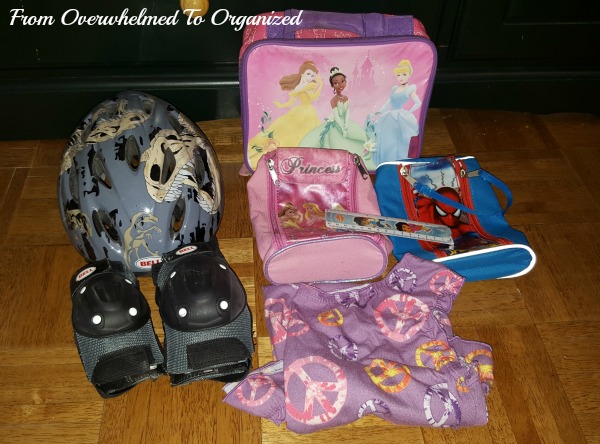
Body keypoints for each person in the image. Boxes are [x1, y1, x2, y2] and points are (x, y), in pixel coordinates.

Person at [247, 61, 323, 169]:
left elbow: (313, 97)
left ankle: (302, 160)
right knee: (289, 132)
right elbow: (291, 101)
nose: (310, 77)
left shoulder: (310, 85)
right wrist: (281, 105)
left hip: (307, 111)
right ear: (302, 74)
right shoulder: (302, 86)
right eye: (308, 74)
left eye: (312, 75)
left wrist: (320, 84)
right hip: (300, 111)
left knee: (304, 133)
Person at [299, 67, 372, 169]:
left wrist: (346, 124)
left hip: (346, 123)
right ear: (333, 85)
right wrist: (342, 128)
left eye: (343, 81)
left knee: (360, 138)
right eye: (336, 83)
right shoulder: (334, 100)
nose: (340, 85)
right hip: (337, 124)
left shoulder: (346, 98)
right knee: (337, 143)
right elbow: (336, 115)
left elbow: (347, 112)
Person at [371, 60, 422, 164]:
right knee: (385, 139)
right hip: (389, 116)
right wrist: (378, 113)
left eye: (404, 74)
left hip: (399, 116)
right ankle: (385, 162)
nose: (400, 77)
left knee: (397, 140)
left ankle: (396, 162)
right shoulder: (395, 89)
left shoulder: (409, 89)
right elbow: (387, 104)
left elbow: (418, 103)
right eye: (398, 75)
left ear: (409, 75)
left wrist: (409, 112)